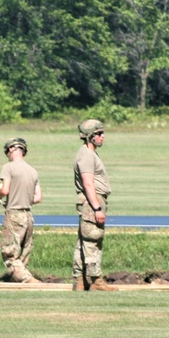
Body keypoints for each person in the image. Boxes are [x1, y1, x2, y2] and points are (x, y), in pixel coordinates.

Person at [72, 119, 117, 291]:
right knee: (92, 241)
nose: (102, 136)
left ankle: (80, 281)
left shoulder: (88, 154)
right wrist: (97, 208)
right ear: (90, 137)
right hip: (92, 202)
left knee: (83, 242)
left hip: (92, 201)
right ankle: (95, 280)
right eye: (98, 134)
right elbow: (88, 183)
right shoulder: (87, 156)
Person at [0, 138, 42, 283]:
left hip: (14, 214)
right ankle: (17, 279)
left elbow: (5, 190)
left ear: (11, 150)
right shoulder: (33, 171)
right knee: (23, 254)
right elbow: (38, 197)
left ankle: (27, 280)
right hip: (28, 216)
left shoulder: (8, 167)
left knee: (10, 253)